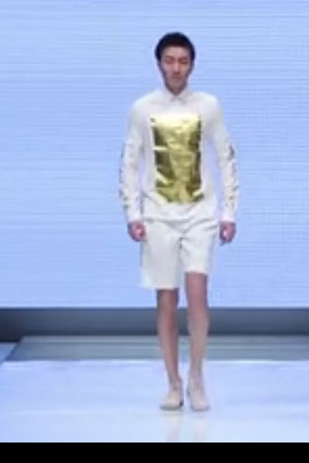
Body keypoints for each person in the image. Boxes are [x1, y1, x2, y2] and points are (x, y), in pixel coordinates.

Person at [119, 32, 238, 411]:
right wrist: (133, 212)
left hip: (200, 212)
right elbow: (130, 162)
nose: (176, 68)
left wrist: (229, 212)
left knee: (198, 292)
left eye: (183, 61)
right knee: (166, 299)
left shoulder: (209, 106)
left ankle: (197, 376)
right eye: (169, 61)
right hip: (158, 214)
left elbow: (225, 158)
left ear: (192, 65)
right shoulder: (142, 108)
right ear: (159, 64)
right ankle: (173, 381)